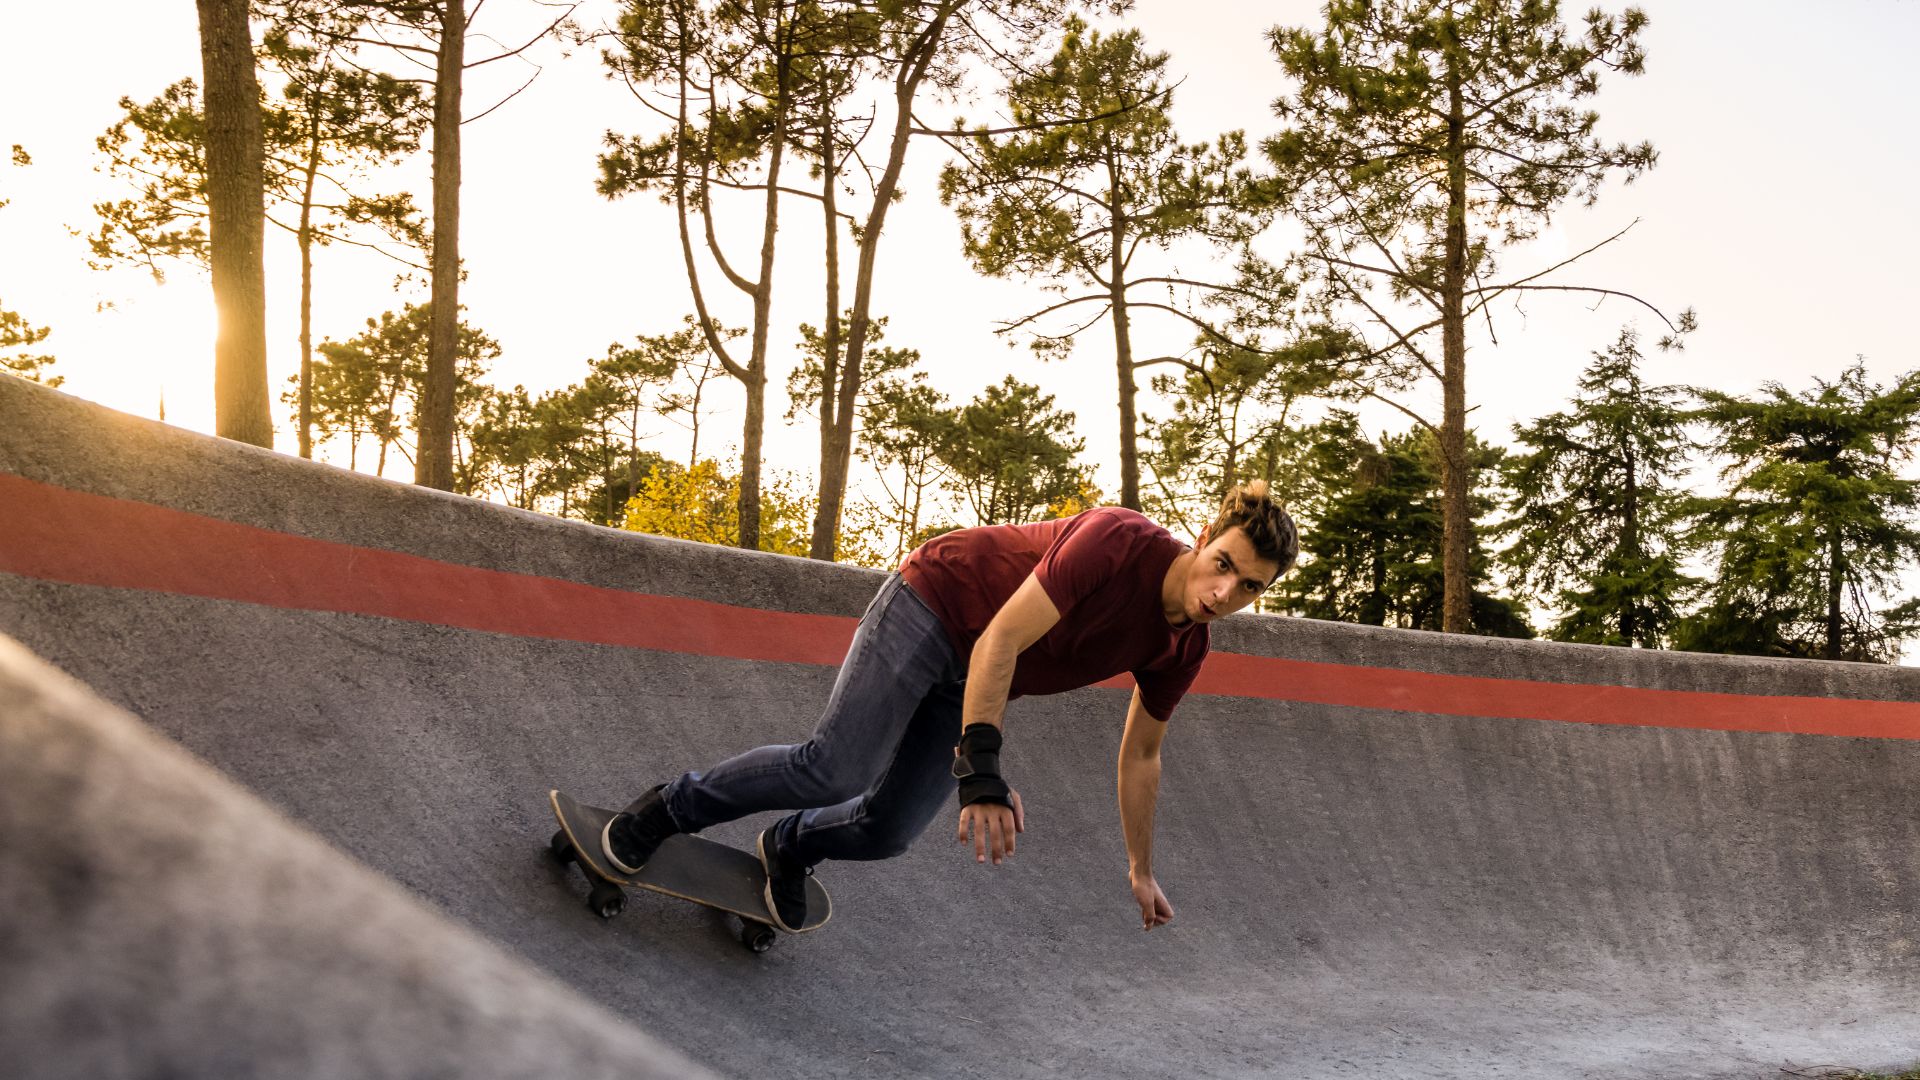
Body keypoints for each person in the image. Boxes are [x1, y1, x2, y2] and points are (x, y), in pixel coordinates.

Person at [602, 481, 1298, 933]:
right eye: (1225, 564)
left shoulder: (1185, 649)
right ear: (1204, 538)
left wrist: (1140, 867)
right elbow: (1001, 637)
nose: (1224, 591)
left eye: (1248, 587)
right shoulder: (1117, 542)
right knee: (835, 769)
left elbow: (1143, 755)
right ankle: (666, 810)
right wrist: (982, 773)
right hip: (935, 605)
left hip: (974, 675)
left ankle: (789, 847)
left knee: (889, 829)